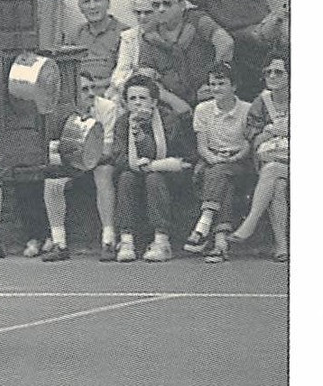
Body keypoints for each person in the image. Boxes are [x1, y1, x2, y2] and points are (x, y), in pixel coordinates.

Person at [33, 67, 121, 261]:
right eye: (84, 89)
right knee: (52, 181)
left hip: (98, 161)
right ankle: (59, 243)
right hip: (70, 161)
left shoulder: (107, 108)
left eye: (92, 88)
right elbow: (52, 149)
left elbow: (106, 150)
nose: (91, 93)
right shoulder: (55, 111)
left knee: (104, 172)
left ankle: (108, 240)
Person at [112, 74, 194, 263]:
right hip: (136, 171)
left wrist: (143, 139)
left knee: (154, 178)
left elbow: (173, 153)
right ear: (125, 103)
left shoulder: (168, 119)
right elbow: (119, 156)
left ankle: (161, 241)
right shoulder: (123, 123)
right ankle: (126, 240)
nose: (138, 103)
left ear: (154, 101)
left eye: (143, 98)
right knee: (126, 178)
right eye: (132, 99)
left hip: (168, 172)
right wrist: (138, 165)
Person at [187, 63, 251, 263]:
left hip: (238, 162)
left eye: (221, 84)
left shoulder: (247, 110)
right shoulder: (202, 110)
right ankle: (220, 243)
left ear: (234, 86)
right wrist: (214, 159)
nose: (216, 88)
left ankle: (204, 224)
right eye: (212, 84)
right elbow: (202, 147)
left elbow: (248, 146)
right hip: (211, 161)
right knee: (223, 181)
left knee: (221, 173)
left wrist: (232, 158)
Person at [229, 52, 288, 261]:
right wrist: (271, 131)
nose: (272, 76)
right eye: (268, 72)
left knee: (272, 172)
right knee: (277, 185)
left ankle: (251, 221)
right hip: (273, 159)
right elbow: (253, 137)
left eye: (278, 72)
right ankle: (282, 247)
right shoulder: (261, 102)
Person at [140, 0, 233, 107]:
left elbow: (226, 43)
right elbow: (146, 77)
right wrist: (175, 102)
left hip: (209, 96)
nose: (161, 9)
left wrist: (214, 82)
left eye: (167, 4)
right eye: (156, 5)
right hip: (172, 103)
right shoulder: (150, 35)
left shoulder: (197, 20)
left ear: (182, 5)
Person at [71, 0, 125, 72]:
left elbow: (125, 74)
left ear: (108, 3)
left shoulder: (124, 34)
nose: (92, 6)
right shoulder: (75, 35)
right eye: (86, 2)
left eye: (97, 0)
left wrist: (93, 84)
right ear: (80, 8)